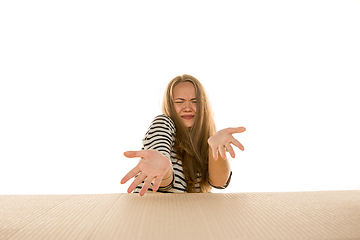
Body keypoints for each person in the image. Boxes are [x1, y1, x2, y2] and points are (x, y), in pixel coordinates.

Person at [120, 74, 246, 196]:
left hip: (184, 214)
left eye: (194, 101)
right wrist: (162, 168)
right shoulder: (163, 123)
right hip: (152, 210)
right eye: (180, 102)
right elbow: (164, 184)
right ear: (170, 105)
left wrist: (217, 149)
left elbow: (219, 182)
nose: (187, 108)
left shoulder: (207, 142)